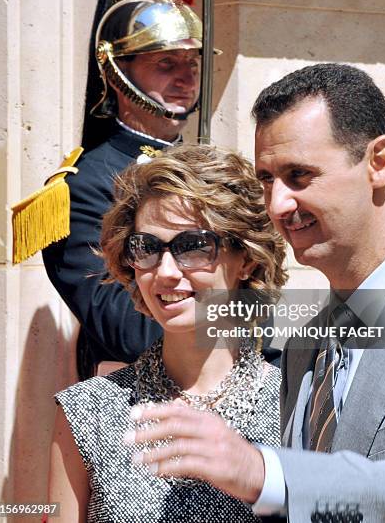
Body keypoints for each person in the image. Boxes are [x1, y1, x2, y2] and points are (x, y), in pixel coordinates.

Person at [128, 64, 385, 522]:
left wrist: (261, 471)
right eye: (266, 179)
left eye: (300, 175)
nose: (277, 205)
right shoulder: (305, 343)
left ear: (379, 163)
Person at [48, 144, 288, 522]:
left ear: (247, 258)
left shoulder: (295, 407)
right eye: (147, 247)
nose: (165, 272)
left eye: (192, 247)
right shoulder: (87, 411)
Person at [41, 0, 209, 375]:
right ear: (119, 73)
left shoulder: (208, 170)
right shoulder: (82, 186)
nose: (185, 77)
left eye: (191, 63)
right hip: (136, 405)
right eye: (165, 64)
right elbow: (127, 330)